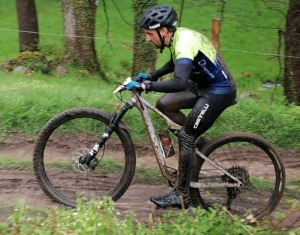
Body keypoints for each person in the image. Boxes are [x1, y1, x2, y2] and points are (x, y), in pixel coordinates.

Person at [127, 5, 237, 209]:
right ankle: (199, 144)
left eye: (149, 34)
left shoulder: (183, 44)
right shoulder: (177, 38)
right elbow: (174, 63)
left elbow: (178, 82)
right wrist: (151, 76)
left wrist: (146, 85)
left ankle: (182, 196)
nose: (147, 39)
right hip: (202, 85)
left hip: (218, 91)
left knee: (186, 136)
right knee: (165, 105)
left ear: (164, 31)